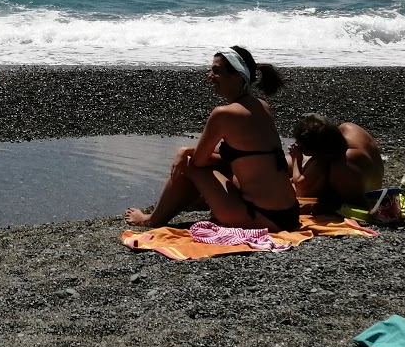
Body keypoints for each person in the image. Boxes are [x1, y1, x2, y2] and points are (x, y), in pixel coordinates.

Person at [125, 46, 299, 231]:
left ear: (237, 76)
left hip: (260, 217)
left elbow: (198, 161)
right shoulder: (263, 106)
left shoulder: (223, 114)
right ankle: (195, 202)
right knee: (214, 161)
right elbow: (240, 155)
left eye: (216, 71)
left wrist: (185, 151)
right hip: (289, 215)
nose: (209, 76)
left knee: (188, 163)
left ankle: (152, 220)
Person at [288, 113, 385, 215]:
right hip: (368, 176)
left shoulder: (341, 167)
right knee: (285, 161)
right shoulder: (348, 128)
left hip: (363, 191)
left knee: (297, 189)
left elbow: (357, 205)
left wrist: (319, 208)